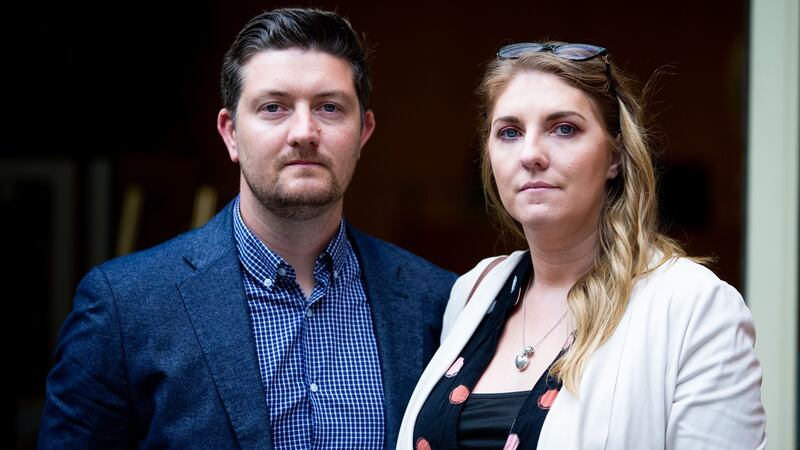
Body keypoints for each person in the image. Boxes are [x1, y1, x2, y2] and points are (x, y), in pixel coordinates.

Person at [39, 8, 456, 449]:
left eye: (329, 108)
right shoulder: (124, 308)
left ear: (363, 132)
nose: (304, 132)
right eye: (273, 107)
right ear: (231, 133)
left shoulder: (435, 302)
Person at [398, 42, 766, 449]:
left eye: (564, 128)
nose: (531, 154)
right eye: (510, 132)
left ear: (615, 156)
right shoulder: (474, 292)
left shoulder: (694, 307)